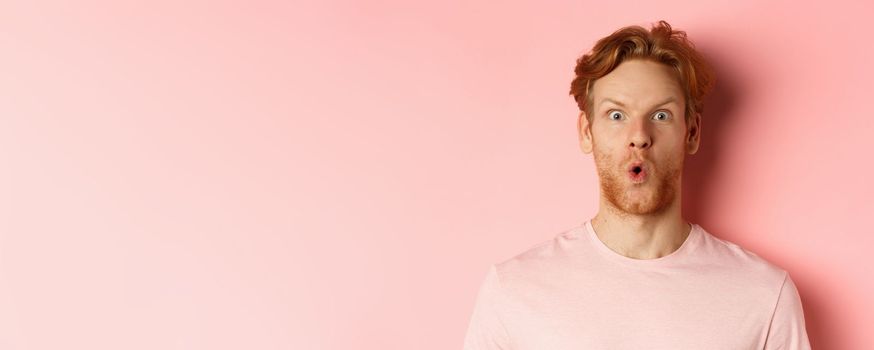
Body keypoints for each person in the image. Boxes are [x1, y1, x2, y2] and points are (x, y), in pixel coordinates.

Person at [462, 20, 811, 349]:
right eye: (617, 115)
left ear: (691, 133)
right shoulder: (514, 291)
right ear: (587, 132)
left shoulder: (763, 294)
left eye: (661, 115)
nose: (639, 137)